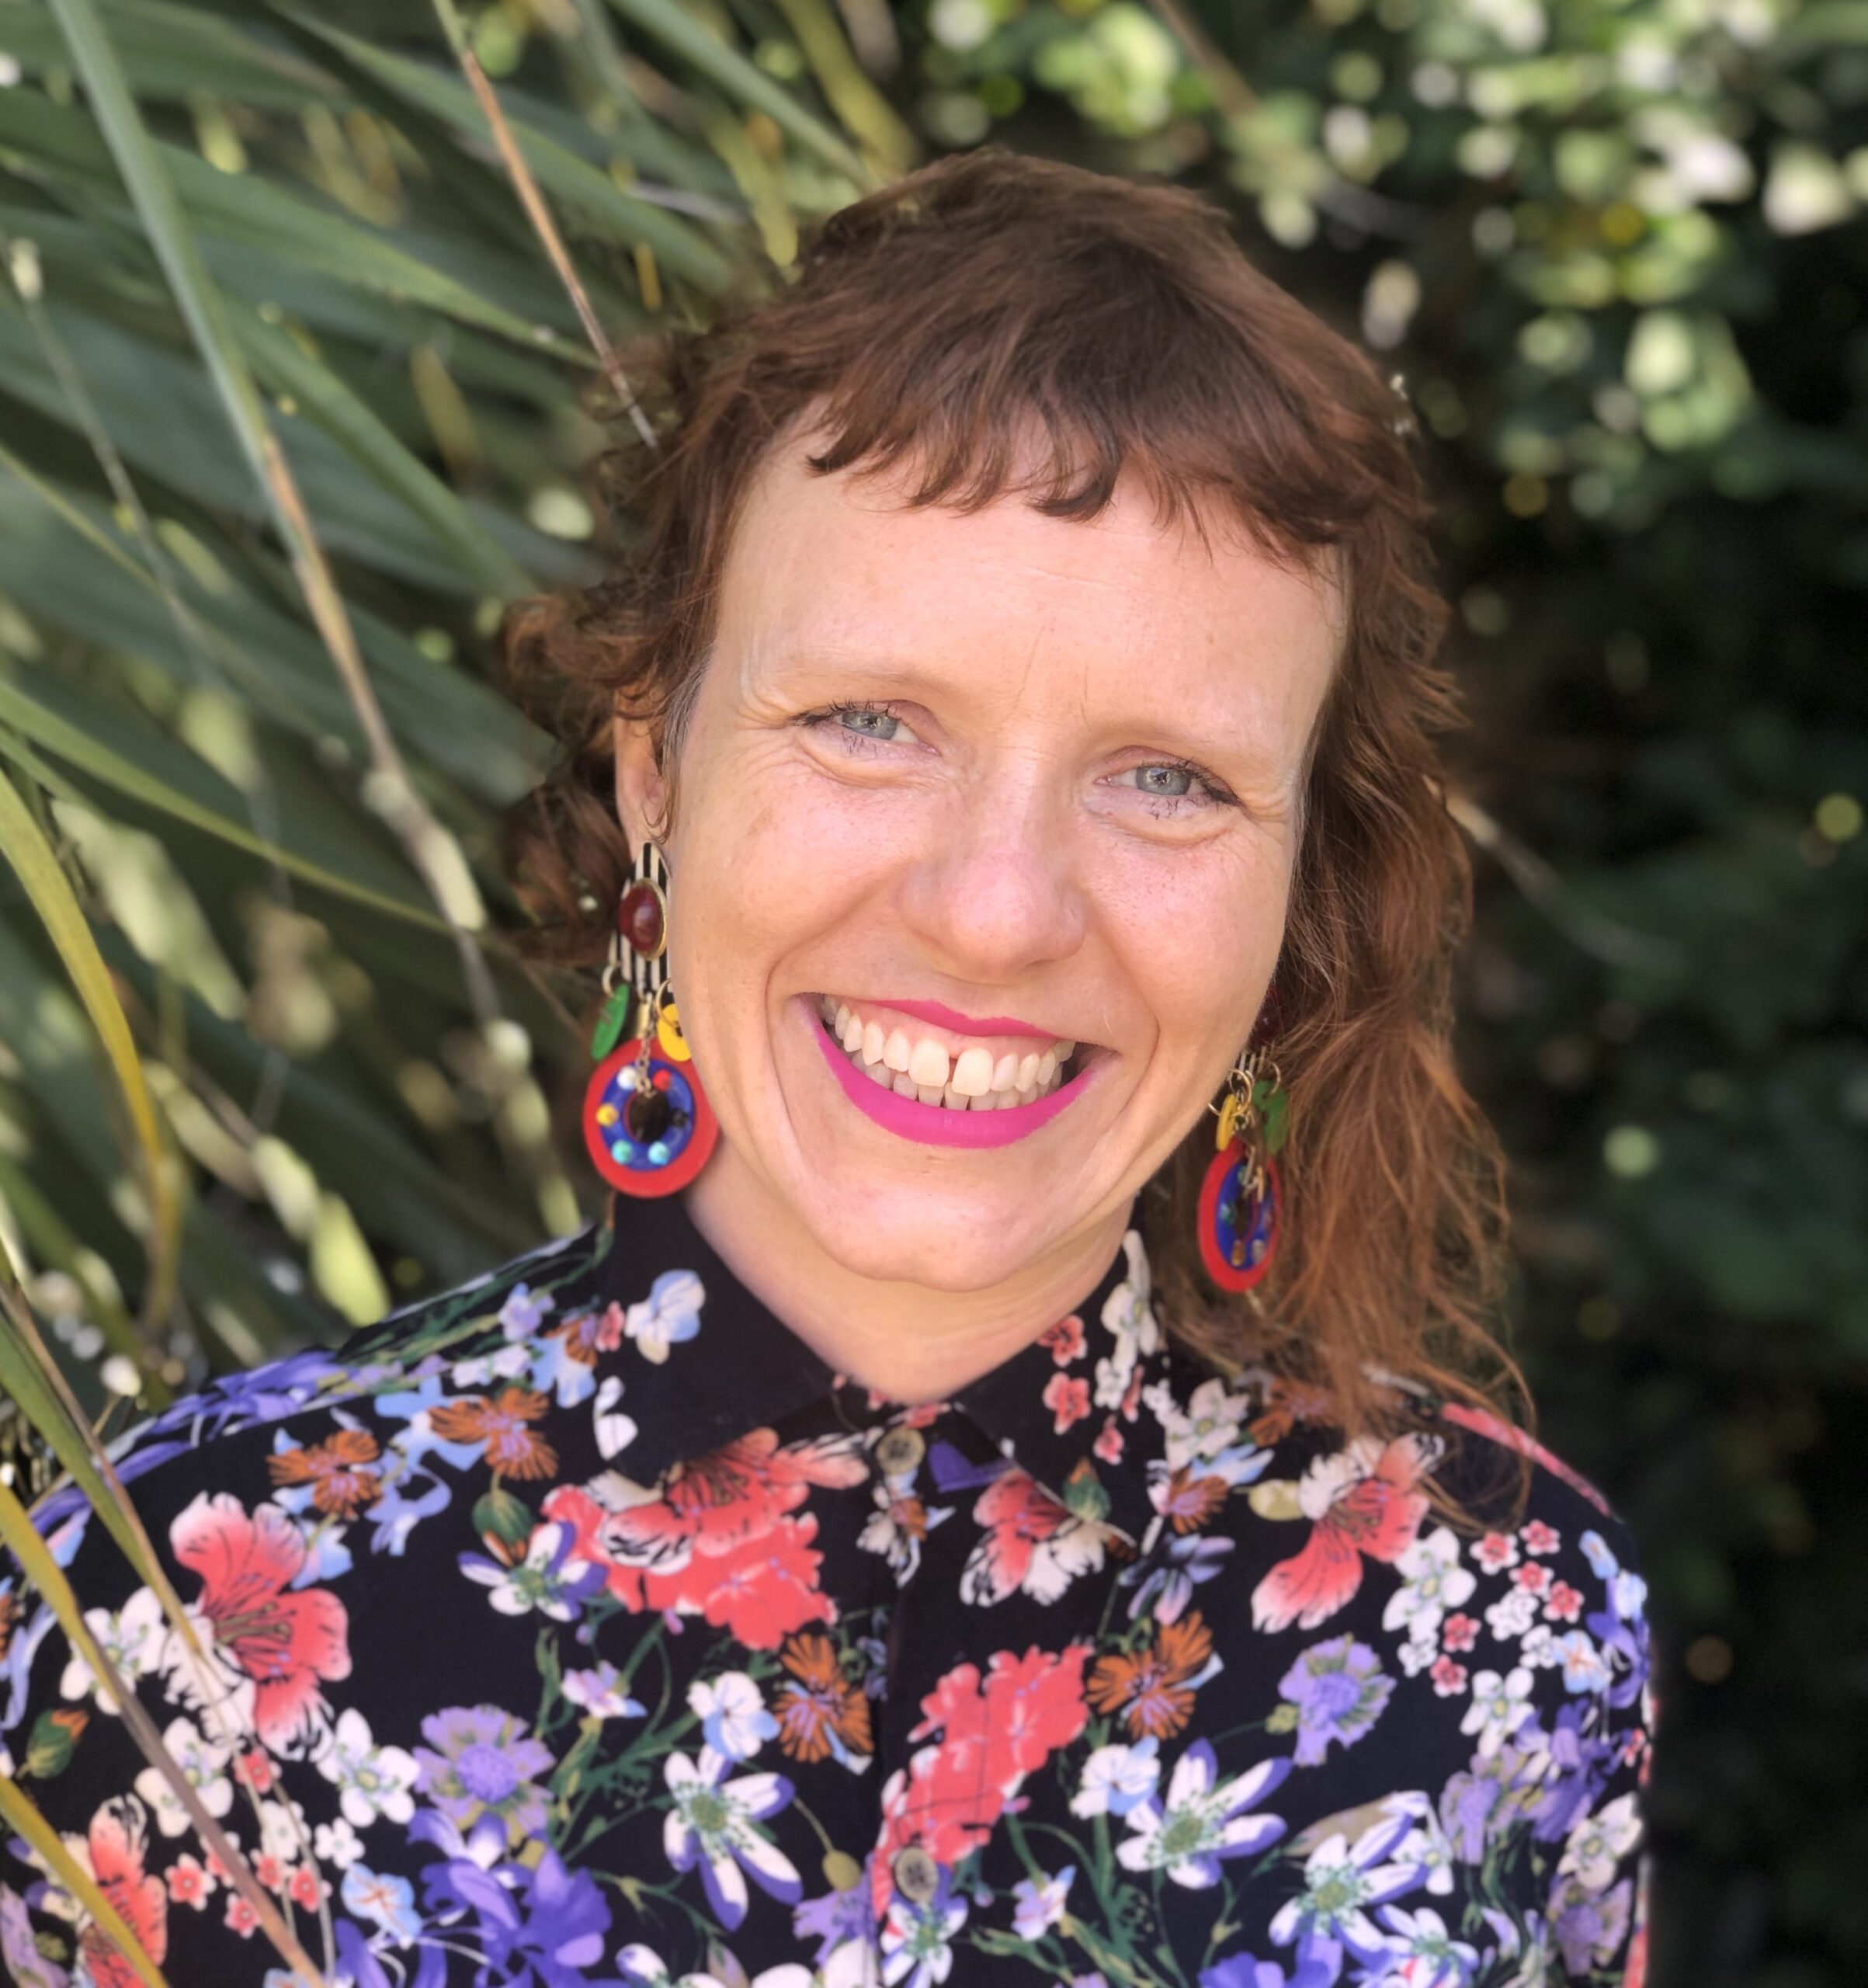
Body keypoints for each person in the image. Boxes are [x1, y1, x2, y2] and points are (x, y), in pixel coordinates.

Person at [0, 148, 1654, 1988]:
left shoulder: (1510, 1628)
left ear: (1298, 893)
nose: (998, 910)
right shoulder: (159, 1613)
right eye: (871, 721)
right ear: (657, 775)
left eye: (1170, 776)